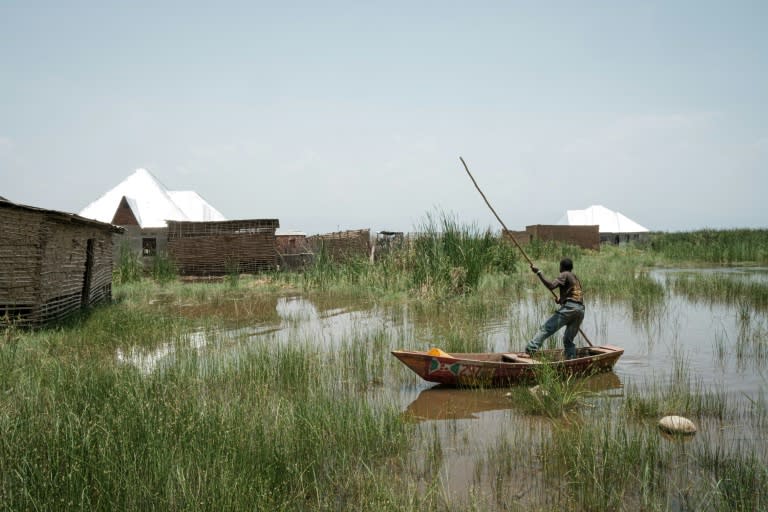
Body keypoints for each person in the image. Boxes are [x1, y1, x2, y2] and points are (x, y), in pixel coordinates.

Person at [525, 257, 584, 360]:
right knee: (568, 340)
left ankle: (530, 350)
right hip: (580, 310)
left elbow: (551, 286)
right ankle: (571, 359)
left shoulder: (564, 274)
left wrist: (538, 272)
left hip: (570, 308)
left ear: (561, 267)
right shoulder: (575, 278)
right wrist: (561, 300)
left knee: (546, 328)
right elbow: (574, 295)